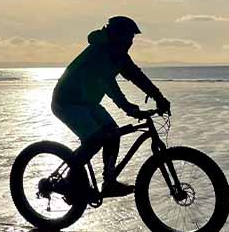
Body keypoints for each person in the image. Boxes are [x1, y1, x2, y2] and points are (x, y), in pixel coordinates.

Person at [52, 16, 170, 198]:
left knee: (113, 134)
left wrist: (159, 97)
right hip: (67, 102)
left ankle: (109, 182)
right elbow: (108, 84)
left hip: (88, 103)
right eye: (128, 37)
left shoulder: (119, 55)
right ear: (116, 36)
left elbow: (137, 76)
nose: (130, 41)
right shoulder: (98, 52)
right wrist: (128, 107)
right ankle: (67, 182)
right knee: (94, 140)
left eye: (132, 38)